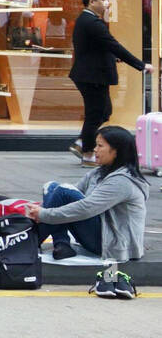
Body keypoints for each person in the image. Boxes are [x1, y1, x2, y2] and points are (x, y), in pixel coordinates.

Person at [28, 127, 147, 299]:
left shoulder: (122, 181)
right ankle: (62, 245)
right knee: (53, 187)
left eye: (100, 146)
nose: (95, 150)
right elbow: (70, 195)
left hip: (112, 242)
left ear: (116, 151)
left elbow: (86, 207)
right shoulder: (98, 172)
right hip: (98, 230)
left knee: (61, 192)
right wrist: (44, 210)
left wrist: (44, 214)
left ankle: (32, 240)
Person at [69, 0, 152, 166]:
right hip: (92, 76)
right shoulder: (92, 23)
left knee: (104, 111)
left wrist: (112, 58)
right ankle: (88, 153)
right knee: (96, 113)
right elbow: (114, 45)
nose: (107, 3)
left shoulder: (88, 21)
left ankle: (82, 142)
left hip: (93, 74)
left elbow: (96, 48)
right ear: (92, 2)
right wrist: (141, 65)